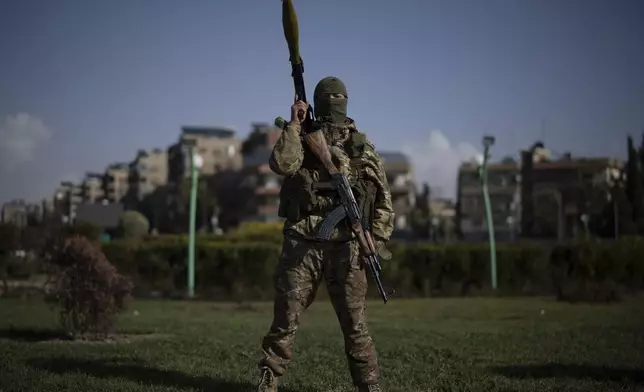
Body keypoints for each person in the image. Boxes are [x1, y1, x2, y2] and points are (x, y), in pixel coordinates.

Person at [256, 76, 395, 392]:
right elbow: (281, 164)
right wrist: (294, 125)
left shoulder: (362, 148)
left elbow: (384, 199)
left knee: (356, 327)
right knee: (285, 322)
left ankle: (369, 386)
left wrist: (376, 238)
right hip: (302, 244)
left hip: (348, 247)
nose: (335, 100)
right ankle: (269, 379)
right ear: (317, 102)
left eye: (339, 96)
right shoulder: (302, 137)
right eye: (329, 96)